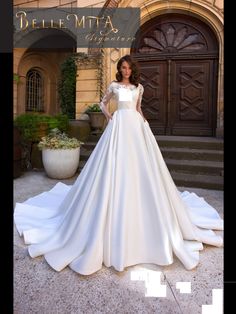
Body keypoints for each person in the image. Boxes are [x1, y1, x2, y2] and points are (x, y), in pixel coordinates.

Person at [14, 54, 223, 275]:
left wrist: (145, 122)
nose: (126, 71)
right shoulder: (113, 85)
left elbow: (139, 108)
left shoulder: (139, 87)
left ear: (132, 69)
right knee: (114, 165)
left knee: (142, 167)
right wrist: (109, 116)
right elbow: (102, 102)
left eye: (128, 68)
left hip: (135, 126)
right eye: (123, 67)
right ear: (119, 69)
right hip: (119, 126)